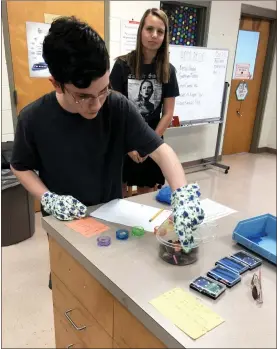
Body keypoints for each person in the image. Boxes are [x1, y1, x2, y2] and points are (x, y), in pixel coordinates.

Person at [10, 16, 204, 288]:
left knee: (109, 286)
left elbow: (160, 150)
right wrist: (48, 197)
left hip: (111, 217)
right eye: (84, 96)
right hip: (64, 224)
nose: (97, 104)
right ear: (56, 83)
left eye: (103, 91)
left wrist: (182, 193)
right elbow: (20, 165)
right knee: (69, 284)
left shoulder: (117, 106)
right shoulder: (33, 118)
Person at [110, 8, 179, 196]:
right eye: (149, 29)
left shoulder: (168, 71)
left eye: (160, 31)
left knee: (146, 194)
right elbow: (115, 111)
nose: (154, 35)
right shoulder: (122, 65)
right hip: (123, 140)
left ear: (165, 36)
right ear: (141, 30)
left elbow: (167, 113)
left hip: (153, 138)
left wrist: (149, 144)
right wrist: (130, 145)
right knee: (120, 193)